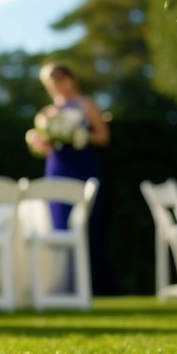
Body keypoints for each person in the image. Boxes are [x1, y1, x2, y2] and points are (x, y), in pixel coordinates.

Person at [35, 62, 121, 296]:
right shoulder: (47, 113)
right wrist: (39, 141)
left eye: (62, 78)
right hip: (57, 169)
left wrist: (82, 134)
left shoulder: (86, 104)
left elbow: (103, 137)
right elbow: (43, 148)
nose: (59, 84)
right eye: (54, 81)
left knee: (88, 225)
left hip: (83, 168)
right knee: (59, 224)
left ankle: (96, 287)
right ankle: (64, 286)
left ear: (72, 79)